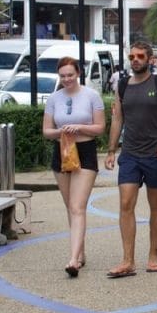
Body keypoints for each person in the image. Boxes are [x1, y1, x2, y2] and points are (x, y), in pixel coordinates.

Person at [104, 41, 157, 278]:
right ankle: (128, 260)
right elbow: (117, 119)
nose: (135, 60)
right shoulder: (123, 85)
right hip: (130, 154)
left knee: (156, 206)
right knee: (126, 204)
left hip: (155, 154)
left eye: (140, 56)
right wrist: (111, 150)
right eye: (132, 56)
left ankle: (153, 254)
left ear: (150, 59)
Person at [42, 56, 106, 277]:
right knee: (70, 206)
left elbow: (100, 127)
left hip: (85, 152)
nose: (67, 79)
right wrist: (62, 132)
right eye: (62, 76)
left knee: (78, 206)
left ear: (78, 73)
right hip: (63, 151)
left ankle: (73, 260)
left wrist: (79, 127)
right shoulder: (54, 98)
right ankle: (80, 252)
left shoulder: (91, 96)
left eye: (70, 75)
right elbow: (46, 131)